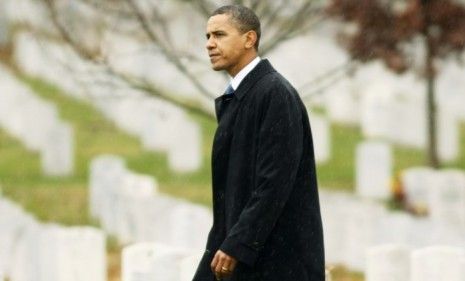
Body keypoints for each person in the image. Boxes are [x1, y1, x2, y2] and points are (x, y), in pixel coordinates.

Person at [193, 4, 325, 281]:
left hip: (274, 261)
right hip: (240, 252)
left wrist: (238, 244)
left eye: (219, 35)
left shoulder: (274, 94)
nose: (209, 44)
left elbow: (273, 183)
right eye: (207, 36)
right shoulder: (243, 95)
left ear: (249, 39)